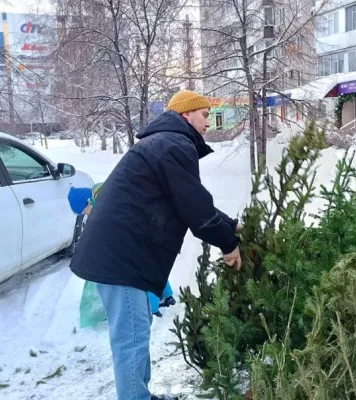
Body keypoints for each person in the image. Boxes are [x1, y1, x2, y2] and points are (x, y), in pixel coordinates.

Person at [70, 90, 242, 400]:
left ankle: (140, 396)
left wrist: (230, 225)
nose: (208, 124)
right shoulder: (173, 145)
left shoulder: (165, 143)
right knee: (131, 339)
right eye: (205, 115)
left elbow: (187, 200)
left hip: (120, 254)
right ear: (186, 114)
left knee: (133, 335)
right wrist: (228, 243)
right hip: (121, 258)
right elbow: (193, 207)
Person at [68, 184, 176, 324]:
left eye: (84, 210)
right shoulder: (105, 193)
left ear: (88, 201)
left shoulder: (104, 201)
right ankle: (168, 296)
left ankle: (153, 308)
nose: (86, 214)